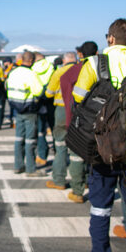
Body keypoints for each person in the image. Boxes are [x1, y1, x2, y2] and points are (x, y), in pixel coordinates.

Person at [74, 19, 126, 252]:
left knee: (101, 210)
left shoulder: (95, 64)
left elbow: (79, 96)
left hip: (102, 149)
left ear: (111, 39)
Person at [59, 41, 98, 203]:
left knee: (76, 155)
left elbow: (65, 86)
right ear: (96, 53)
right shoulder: (101, 69)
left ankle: (77, 190)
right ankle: (90, 183)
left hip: (77, 120)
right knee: (94, 156)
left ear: (80, 54)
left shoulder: (73, 71)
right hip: (98, 121)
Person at [6, 50, 45, 176]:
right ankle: (30, 169)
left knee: (18, 139)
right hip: (29, 110)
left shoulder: (13, 73)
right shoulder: (31, 74)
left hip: (17, 109)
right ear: (31, 61)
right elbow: (38, 91)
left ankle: (18, 165)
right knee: (30, 140)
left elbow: (7, 87)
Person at [44, 51, 77, 190]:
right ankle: (81, 181)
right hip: (79, 111)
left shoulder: (59, 72)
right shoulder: (82, 70)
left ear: (64, 60)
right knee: (78, 147)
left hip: (62, 111)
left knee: (60, 146)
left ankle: (59, 180)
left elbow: (49, 93)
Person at [32, 51, 55, 166]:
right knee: (54, 128)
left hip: (39, 102)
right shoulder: (51, 66)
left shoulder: (33, 68)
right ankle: (57, 151)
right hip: (52, 101)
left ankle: (42, 155)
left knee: (40, 131)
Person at [2, 57, 16, 128]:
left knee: (13, 105)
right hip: (9, 90)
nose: (4, 64)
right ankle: (11, 118)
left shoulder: (12, 68)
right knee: (11, 105)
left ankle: (14, 119)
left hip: (12, 90)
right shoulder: (9, 68)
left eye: (5, 62)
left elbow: (5, 75)